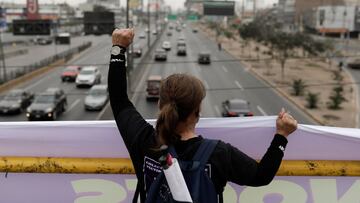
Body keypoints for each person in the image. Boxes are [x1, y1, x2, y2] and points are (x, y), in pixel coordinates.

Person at [108, 28, 298, 203]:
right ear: (198, 111)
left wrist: (118, 48)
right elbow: (261, 176)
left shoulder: (144, 140)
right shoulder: (219, 153)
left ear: (160, 105)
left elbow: (118, 100)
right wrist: (282, 136)